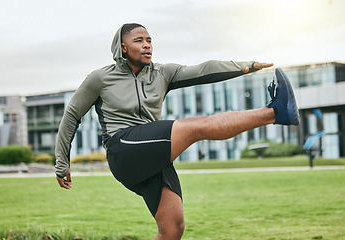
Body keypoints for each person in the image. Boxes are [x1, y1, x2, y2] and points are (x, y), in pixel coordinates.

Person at [55, 23, 299, 239]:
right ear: (123, 48)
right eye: (139, 40)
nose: (147, 45)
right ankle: (275, 112)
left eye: (149, 40)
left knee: (173, 230)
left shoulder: (163, 73)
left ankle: (276, 112)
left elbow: (204, 70)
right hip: (123, 149)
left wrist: (247, 66)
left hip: (152, 154)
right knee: (197, 127)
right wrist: (61, 161)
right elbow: (72, 114)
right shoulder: (100, 78)